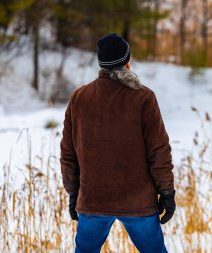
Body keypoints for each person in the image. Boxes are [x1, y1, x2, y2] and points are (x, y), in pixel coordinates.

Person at [60, 32, 176, 253]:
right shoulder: (143, 97)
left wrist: (74, 192)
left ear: (101, 64)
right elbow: (159, 151)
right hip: (138, 203)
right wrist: (167, 192)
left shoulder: (79, 98)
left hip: (93, 200)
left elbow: (68, 154)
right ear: (127, 61)